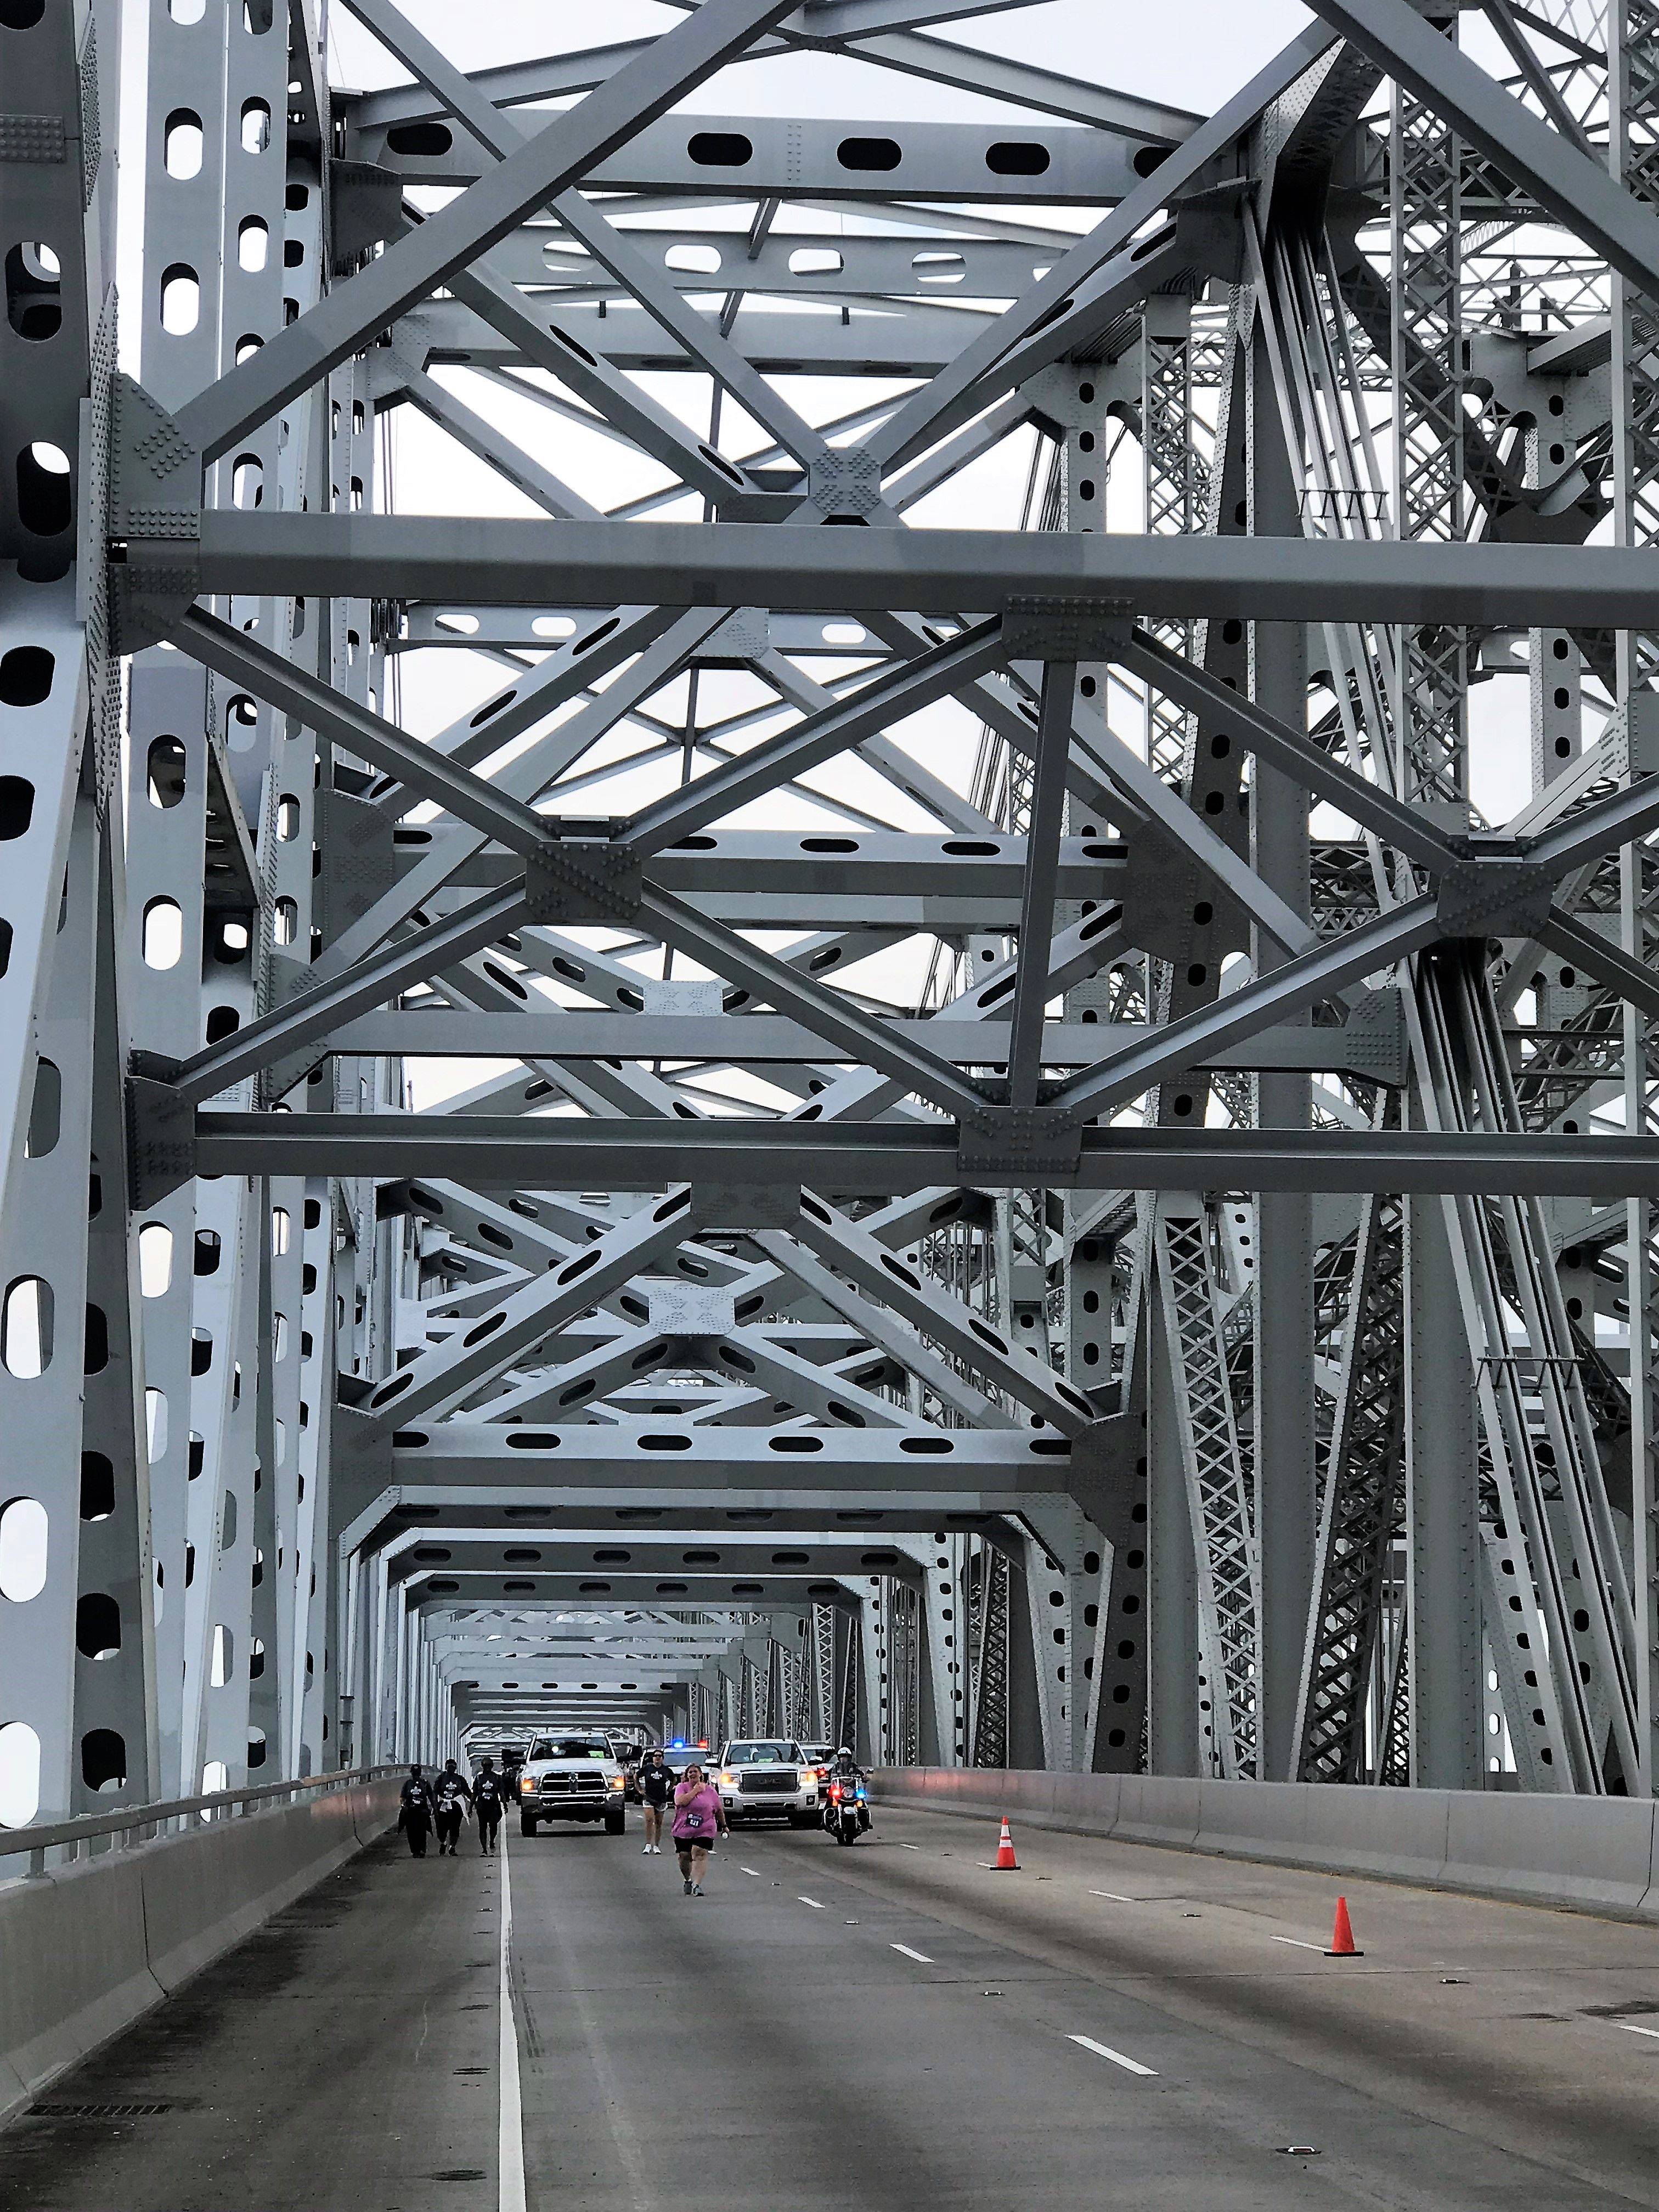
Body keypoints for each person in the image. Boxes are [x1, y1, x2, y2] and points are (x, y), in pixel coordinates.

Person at [670, 1759, 726, 1895]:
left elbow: (718, 1810)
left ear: (701, 1774)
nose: (693, 1774)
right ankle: (688, 1879)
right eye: (690, 1772)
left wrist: (724, 1826)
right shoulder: (681, 1788)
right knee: (684, 1856)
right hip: (684, 1829)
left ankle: (697, 1885)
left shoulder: (710, 1791)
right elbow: (680, 1802)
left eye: (696, 1771)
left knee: (699, 1852)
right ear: (687, 1775)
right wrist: (695, 1791)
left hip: (705, 1828)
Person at [636, 1746, 672, 1854]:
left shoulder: (666, 1770)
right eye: (655, 1756)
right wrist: (639, 1789)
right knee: (649, 1820)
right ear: (653, 1758)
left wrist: (668, 1790)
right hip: (649, 1798)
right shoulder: (648, 1768)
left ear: (662, 1758)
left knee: (659, 1823)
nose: (657, 1758)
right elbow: (636, 1776)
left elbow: (674, 1779)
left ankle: (656, 1845)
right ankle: (648, 1845)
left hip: (661, 1799)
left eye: (660, 1756)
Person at [433, 1758, 472, 1855]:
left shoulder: (460, 1779)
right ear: (446, 1767)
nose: (451, 1769)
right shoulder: (441, 1778)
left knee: (455, 1828)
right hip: (443, 1806)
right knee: (441, 1829)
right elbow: (435, 1792)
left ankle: (452, 1847)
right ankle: (444, 1843)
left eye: (453, 1767)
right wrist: (435, 1806)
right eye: (449, 1766)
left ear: (456, 1768)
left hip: (456, 1806)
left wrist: (473, 1802)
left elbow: (467, 1792)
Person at [399, 1764, 435, 1858]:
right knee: (415, 1831)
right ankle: (417, 1850)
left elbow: (431, 1796)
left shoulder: (422, 1783)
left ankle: (419, 1850)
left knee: (418, 1831)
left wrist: (434, 1808)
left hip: (420, 1811)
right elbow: (403, 1798)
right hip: (413, 1811)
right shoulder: (410, 1783)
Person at [472, 1757, 505, 1855]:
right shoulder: (478, 1778)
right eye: (485, 1766)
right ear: (482, 1766)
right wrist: (470, 1807)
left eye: (489, 1766)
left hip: (494, 1806)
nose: (487, 1768)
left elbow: (501, 1792)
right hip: (482, 1806)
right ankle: (484, 1849)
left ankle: (492, 1842)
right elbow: (474, 1793)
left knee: (493, 1826)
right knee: (482, 1828)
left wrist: (505, 1803)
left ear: (492, 1766)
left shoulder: (497, 1778)